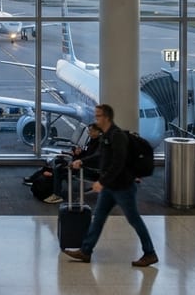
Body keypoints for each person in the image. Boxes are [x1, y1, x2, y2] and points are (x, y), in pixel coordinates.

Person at [62, 104, 157, 267]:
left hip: (123, 187)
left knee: (134, 219)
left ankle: (150, 253)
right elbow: (100, 156)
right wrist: (82, 161)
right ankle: (86, 251)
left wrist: (102, 182)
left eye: (98, 116)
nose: (96, 119)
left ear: (106, 117)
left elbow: (118, 163)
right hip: (110, 187)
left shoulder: (117, 136)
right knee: (98, 218)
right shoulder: (105, 135)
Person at [44, 123, 103, 204]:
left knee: (59, 169)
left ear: (98, 132)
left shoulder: (101, 143)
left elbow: (95, 157)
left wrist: (81, 161)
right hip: (85, 165)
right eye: (88, 131)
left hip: (91, 170)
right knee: (59, 163)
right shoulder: (93, 140)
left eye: (91, 131)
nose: (89, 133)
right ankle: (54, 188)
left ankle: (57, 195)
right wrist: (79, 153)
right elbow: (89, 154)